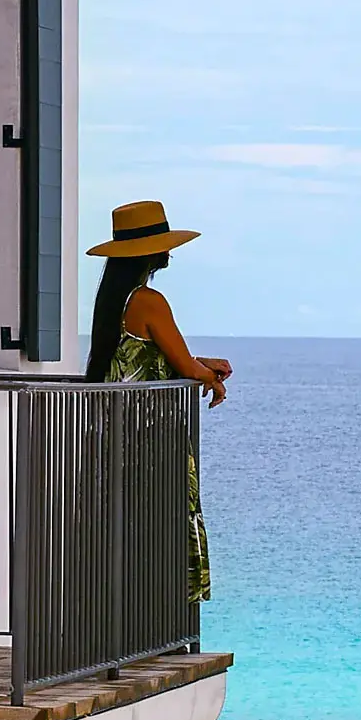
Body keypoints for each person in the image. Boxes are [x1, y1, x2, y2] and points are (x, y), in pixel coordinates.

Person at [84, 201, 230, 603]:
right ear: (149, 251)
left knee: (128, 523)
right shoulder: (149, 300)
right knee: (166, 517)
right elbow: (182, 364)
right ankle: (166, 617)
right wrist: (211, 378)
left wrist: (203, 365)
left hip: (115, 429)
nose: (169, 251)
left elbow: (149, 356)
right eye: (163, 244)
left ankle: (123, 618)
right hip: (149, 432)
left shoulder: (114, 299)